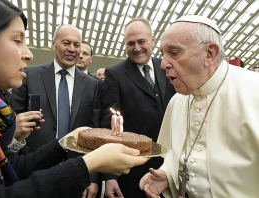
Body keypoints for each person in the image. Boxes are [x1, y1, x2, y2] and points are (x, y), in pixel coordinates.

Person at [0, 0, 149, 197]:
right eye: (17, 40)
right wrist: (89, 163)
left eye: (77, 44)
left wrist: (65, 143)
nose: (28, 54)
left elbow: (11, 166)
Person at [139, 15, 259, 198]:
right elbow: (173, 154)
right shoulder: (177, 101)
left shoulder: (254, 91)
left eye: (175, 52)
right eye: (162, 54)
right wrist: (168, 176)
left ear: (210, 53)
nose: (163, 64)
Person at [101, 17, 176, 198]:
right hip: (132, 171)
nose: (137, 48)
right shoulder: (115, 74)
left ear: (153, 39)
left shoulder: (167, 67)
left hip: (170, 168)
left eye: (142, 41)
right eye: (131, 43)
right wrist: (109, 176)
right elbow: (109, 125)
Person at [10, 24, 101, 153]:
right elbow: (15, 117)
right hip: (34, 160)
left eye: (76, 45)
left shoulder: (93, 85)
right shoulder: (30, 75)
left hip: (76, 162)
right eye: (66, 43)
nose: (71, 49)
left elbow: (94, 128)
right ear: (53, 44)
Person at [76, 40, 104, 198]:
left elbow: (98, 129)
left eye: (85, 54)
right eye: (80, 52)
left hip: (85, 164)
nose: (80, 56)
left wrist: (93, 177)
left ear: (91, 59)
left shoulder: (98, 85)